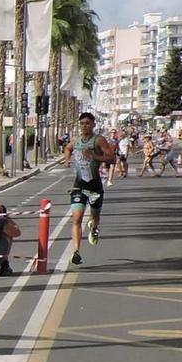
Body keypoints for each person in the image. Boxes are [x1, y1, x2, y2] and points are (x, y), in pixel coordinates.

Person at [63, 111, 113, 267]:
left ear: (93, 124)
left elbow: (112, 158)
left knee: (94, 216)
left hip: (95, 186)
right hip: (79, 186)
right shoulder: (75, 140)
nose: (84, 126)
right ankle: (76, 252)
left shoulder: (98, 141)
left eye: (87, 123)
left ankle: (94, 228)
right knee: (76, 218)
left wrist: (93, 156)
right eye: (82, 123)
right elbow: (68, 148)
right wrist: (67, 160)